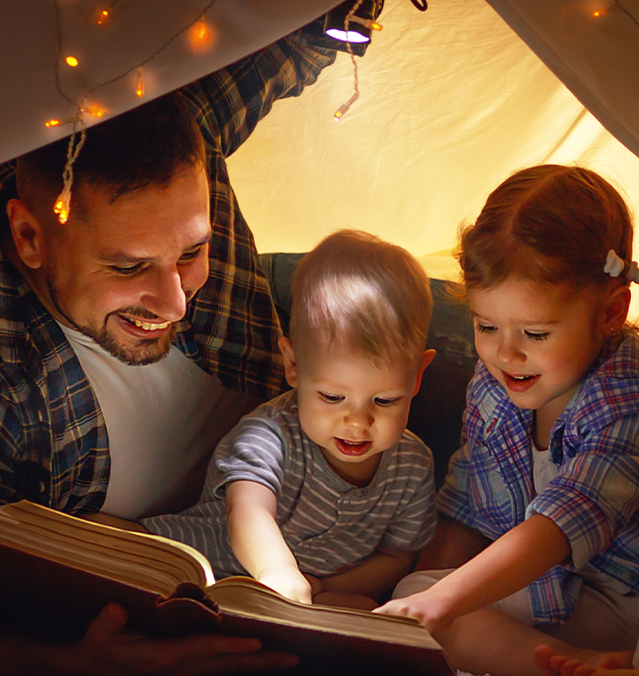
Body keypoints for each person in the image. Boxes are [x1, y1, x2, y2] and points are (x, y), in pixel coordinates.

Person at [0, 14, 367, 676]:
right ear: (32, 239)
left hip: (322, 428)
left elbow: (304, 23)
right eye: (128, 269)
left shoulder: (181, 121)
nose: (176, 302)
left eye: (193, 252)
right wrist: (64, 665)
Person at [375, 165, 639, 676]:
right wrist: (421, 604)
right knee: (424, 595)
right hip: (586, 595)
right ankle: (588, 669)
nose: (506, 355)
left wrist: (440, 604)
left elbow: (559, 526)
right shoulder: (491, 391)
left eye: (535, 334)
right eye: (486, 327)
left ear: (610, 311)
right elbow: (466, 509)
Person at [143, 230, 437, 611]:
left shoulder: (412, 467)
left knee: (363, 610)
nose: (358, 421)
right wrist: (276, 571)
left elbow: (398, 556)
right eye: (332, 397)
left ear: (417, 378)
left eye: (385, 400)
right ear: (294, 365)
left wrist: (321, 585)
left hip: (307, 594)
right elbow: (248, 509)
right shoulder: (268, 436)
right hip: (198, 565)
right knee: (123, 556)